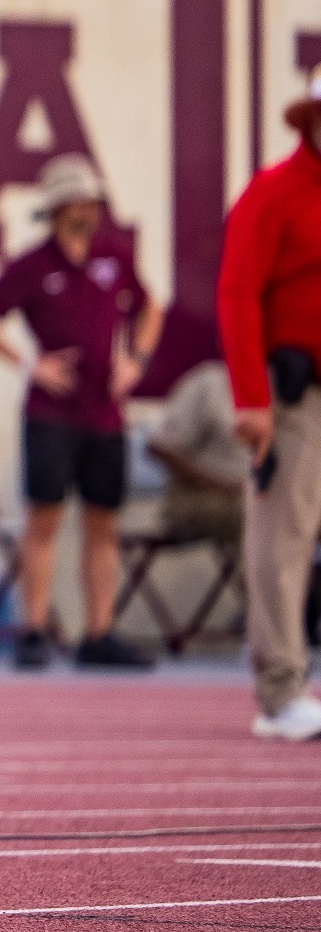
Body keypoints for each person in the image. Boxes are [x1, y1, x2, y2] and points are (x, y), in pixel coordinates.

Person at [0, 152, 162, 672]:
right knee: (44, 518)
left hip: (105, 410)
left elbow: (150, 308)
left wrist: (134, 362)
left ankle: (99, 631)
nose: (88, 209)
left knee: (103, 522)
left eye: (92, 200)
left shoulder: (113, 258)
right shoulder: (33, 265)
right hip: (51, 411)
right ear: (57, 207)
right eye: (78, 200)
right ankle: (34, 629)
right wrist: (31, 364)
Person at [218, 66, 321, 742]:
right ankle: (281, 690)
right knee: (282, 541)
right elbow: (236, 293)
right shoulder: (274, 193)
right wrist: (252, 399)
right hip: (296, 397)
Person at [146, 354, 246, 549]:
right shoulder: (209, 381)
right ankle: (256, 579)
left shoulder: (292, 387)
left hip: (258, 495)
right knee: (261, 515)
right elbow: (160, 446)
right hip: (203, 498)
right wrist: (219, 484)